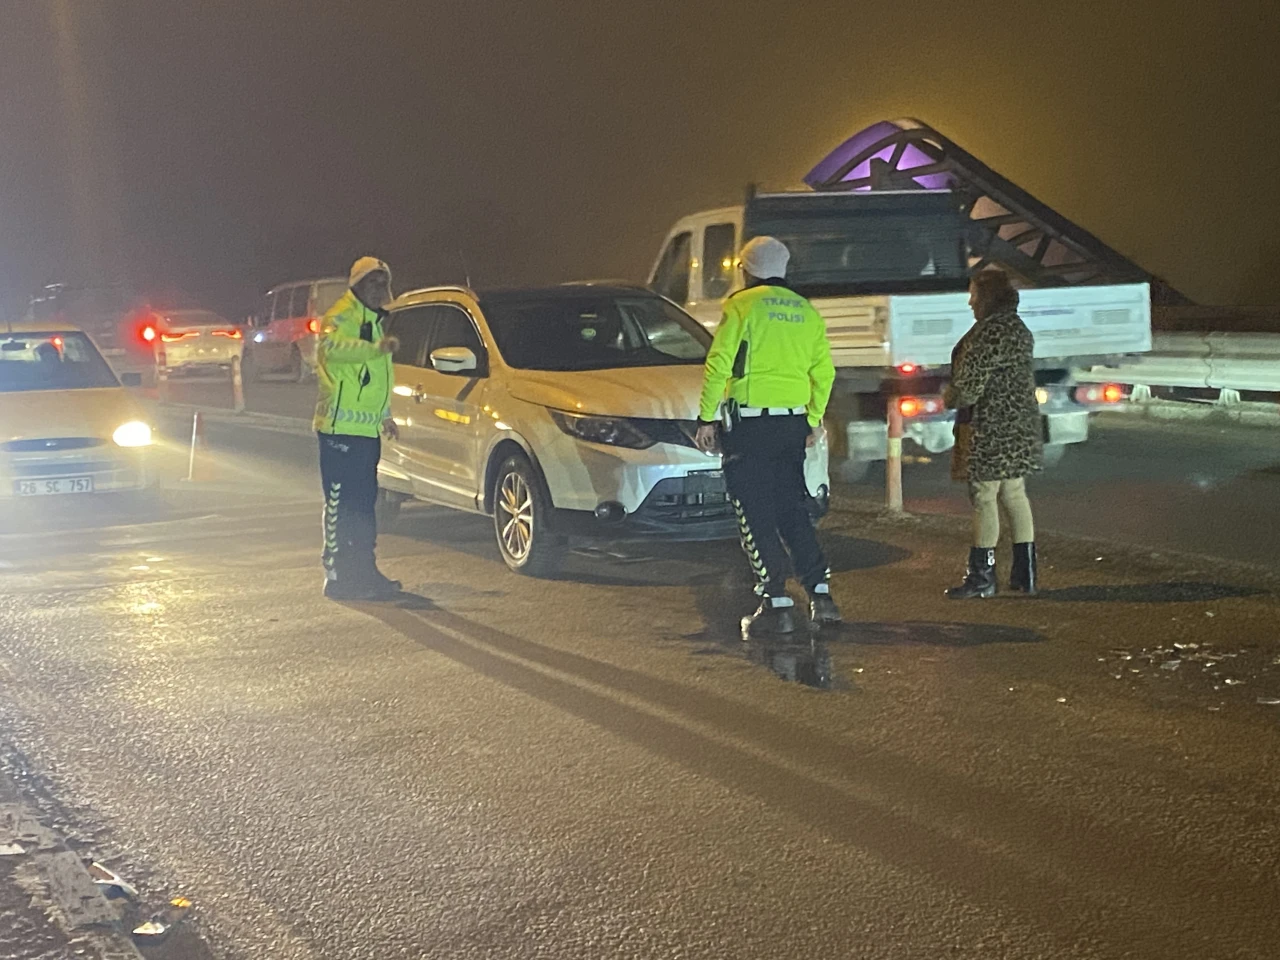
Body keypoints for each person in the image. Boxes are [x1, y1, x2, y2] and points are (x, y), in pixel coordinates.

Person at [695, 236, 839, 635]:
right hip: (792, 425)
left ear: (745, 269)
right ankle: (821, 593)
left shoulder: (742, 306)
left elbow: (720, 363)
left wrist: (706, 418)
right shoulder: (806, 312)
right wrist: (812, 420)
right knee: (792, 509)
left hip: (750, 427)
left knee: (753, 509)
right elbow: (824, 374)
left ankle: (774, 598)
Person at [943, 268, 1043, 599]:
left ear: (987, 297)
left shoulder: (988, 334)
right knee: (1014, 493)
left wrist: (950, 397)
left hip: (990, 429)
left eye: (974, 294)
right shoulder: (1018, 329)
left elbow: (969, 388)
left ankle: (982, 579)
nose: (970, 301)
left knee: (984, 497)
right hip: (1020, 427)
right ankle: (1024, 573)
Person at [314, 257, 402, 601]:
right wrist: (374, 348)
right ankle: (338, 575)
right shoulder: (341, 317)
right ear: (358, 285)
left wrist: (385, 415)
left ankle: (365, 570)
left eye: (384, 282)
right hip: (338, 430)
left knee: (364, 505)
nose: (380, 289)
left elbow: (376, 380)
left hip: (365, 432)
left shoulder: (375, 322)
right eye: (373, 283)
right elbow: (333, 351)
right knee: (340, 503)